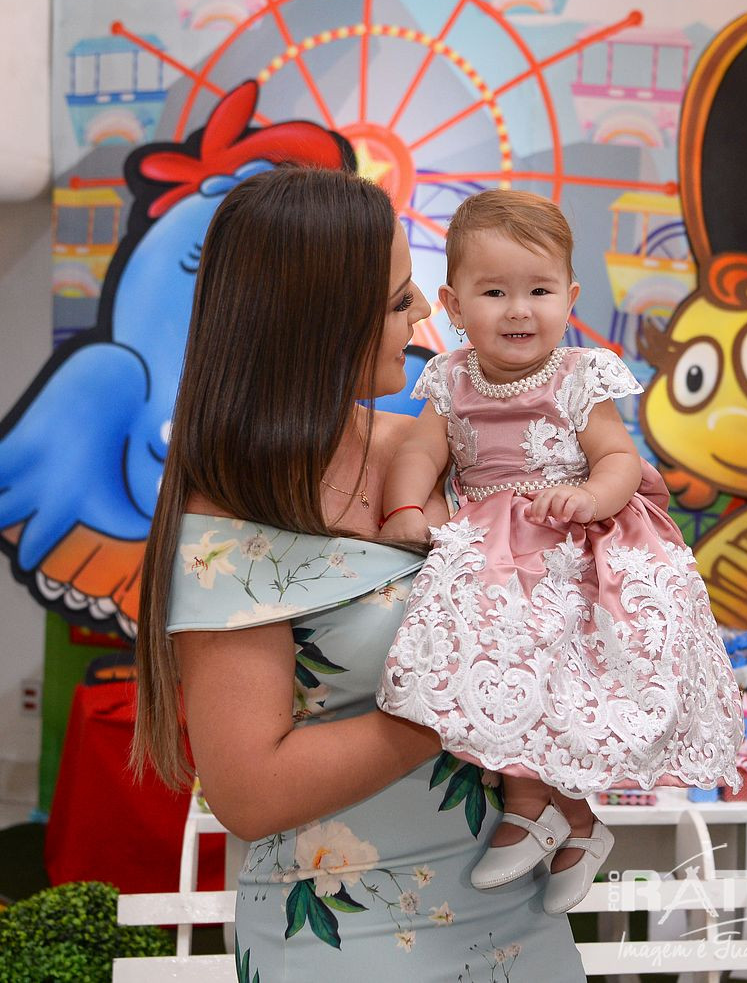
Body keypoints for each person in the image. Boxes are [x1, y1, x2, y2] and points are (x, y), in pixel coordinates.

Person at [132, 167, 587, 980]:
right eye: (398, 301)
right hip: (345, 943)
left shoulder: (436, 453)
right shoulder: (230, 516)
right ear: (317, 322)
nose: (421, 320)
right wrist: (468, 698)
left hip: (518, 909)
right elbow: (250, 792)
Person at [376, 189, 744, 915]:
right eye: (494, 292)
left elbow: (619, 459)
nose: (519, 310)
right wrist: (405, 508)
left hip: (573, 549)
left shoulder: (579, 376)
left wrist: (590, 497)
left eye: (539, 291)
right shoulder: (450, 379)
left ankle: (556, 814)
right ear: (453, 305)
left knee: (569, 682)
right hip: (496, 554)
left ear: (570, 298)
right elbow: (420, 452)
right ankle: (553, 817)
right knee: (506, 674)